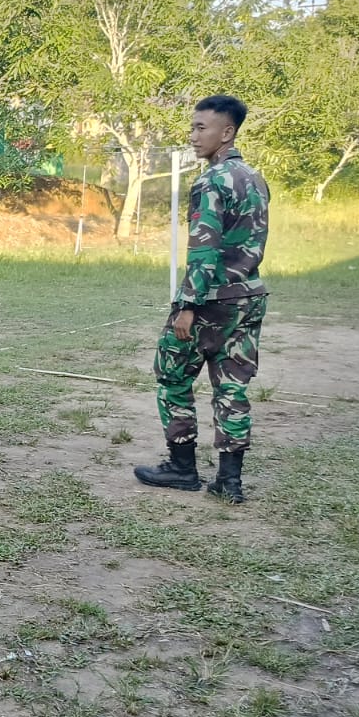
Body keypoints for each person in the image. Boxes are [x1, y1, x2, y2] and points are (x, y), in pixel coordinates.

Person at [134, 95, 269, 504]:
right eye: (192, 127)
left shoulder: (211, 181)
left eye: (201, 128)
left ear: (226, 132)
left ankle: (182, 467)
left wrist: (187, 305)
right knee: (232, 388)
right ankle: (229, 481)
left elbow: (204, 249)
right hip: (247, 296)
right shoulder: (255, 178)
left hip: (209, 300)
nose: (193, 136)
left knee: (172, 375)